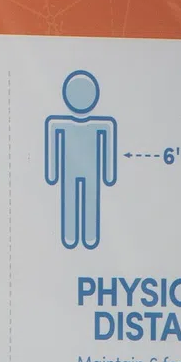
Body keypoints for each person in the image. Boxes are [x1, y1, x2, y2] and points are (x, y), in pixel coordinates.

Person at [44, 70, 119, 250]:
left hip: (91, 170)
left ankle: (90, 236)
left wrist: (109, 175)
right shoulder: (58, 125)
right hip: (69, 171)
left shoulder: (102, 125)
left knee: (90, 202)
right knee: (69, 201)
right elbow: (53, 149)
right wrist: (52, 174)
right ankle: (71, 236)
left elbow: (107, 149)